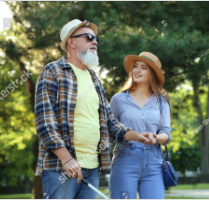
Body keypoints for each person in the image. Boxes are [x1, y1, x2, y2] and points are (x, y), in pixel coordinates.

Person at [34, 19, 157, 199]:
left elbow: (109, 122)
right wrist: (66, 158)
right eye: (89, 37)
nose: (95, 42)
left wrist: (137, 136)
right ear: (72, 42)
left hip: (92, 167)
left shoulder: (94, 78)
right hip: (61, 167)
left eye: (95, 38)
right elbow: (45, 121)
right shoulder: (53, 71)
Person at [109, 52, 172, 199]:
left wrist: (155, 137)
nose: (137, 70)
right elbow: (109, 133)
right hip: (125, 160)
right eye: (135, 67)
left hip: (154, 162)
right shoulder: (118, 100)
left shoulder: (161, 101)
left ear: (152, 74)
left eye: (143, 67)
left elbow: (166, 133)